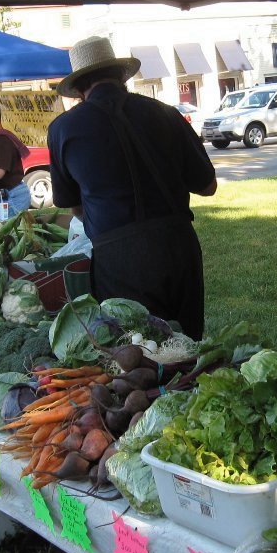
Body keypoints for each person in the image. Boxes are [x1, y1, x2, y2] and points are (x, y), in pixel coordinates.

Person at [47, 36, 217, 340]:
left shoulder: (63, 129)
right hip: (178, 245)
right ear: (120, 76)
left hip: (119, 255)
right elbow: (208, 186)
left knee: (136, 357)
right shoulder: (166, 113)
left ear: (79, 88)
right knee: (189, 347)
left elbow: (72, 205)